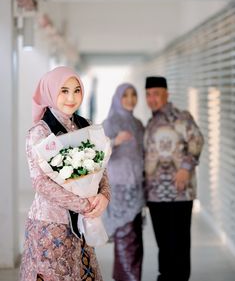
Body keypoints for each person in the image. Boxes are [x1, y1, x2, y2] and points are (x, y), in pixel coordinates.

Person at [19, 66, 110, 281]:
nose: (72, 98)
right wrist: (84, 204)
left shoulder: (86, 126)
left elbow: (101, 170)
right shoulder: (40, 132)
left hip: (82, 227)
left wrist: (104, 196)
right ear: (51, 92)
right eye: (64, 91)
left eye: (77, 90)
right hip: (50, 227)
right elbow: (41, 183)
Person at [144, 76, 204, 281]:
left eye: (156, 93)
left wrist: (186, 168)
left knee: (179, 246)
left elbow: (197, 140)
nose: (152, 98)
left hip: (179, 194)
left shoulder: (181, 117)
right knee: (163, 245)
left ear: (166, 94)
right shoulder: (151, 123)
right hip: (155, 195)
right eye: (148, 94)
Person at [102, 83, 145, 281]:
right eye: (125, 95)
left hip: (136, 187)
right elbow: (97, 155)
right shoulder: (110, 123)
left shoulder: (138, 124)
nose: (130, 99)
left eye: (133, 94)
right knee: (125, 238)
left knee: (135, 239)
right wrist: (114, 141)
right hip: (119, 189)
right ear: (117, 98)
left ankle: (130, 276)